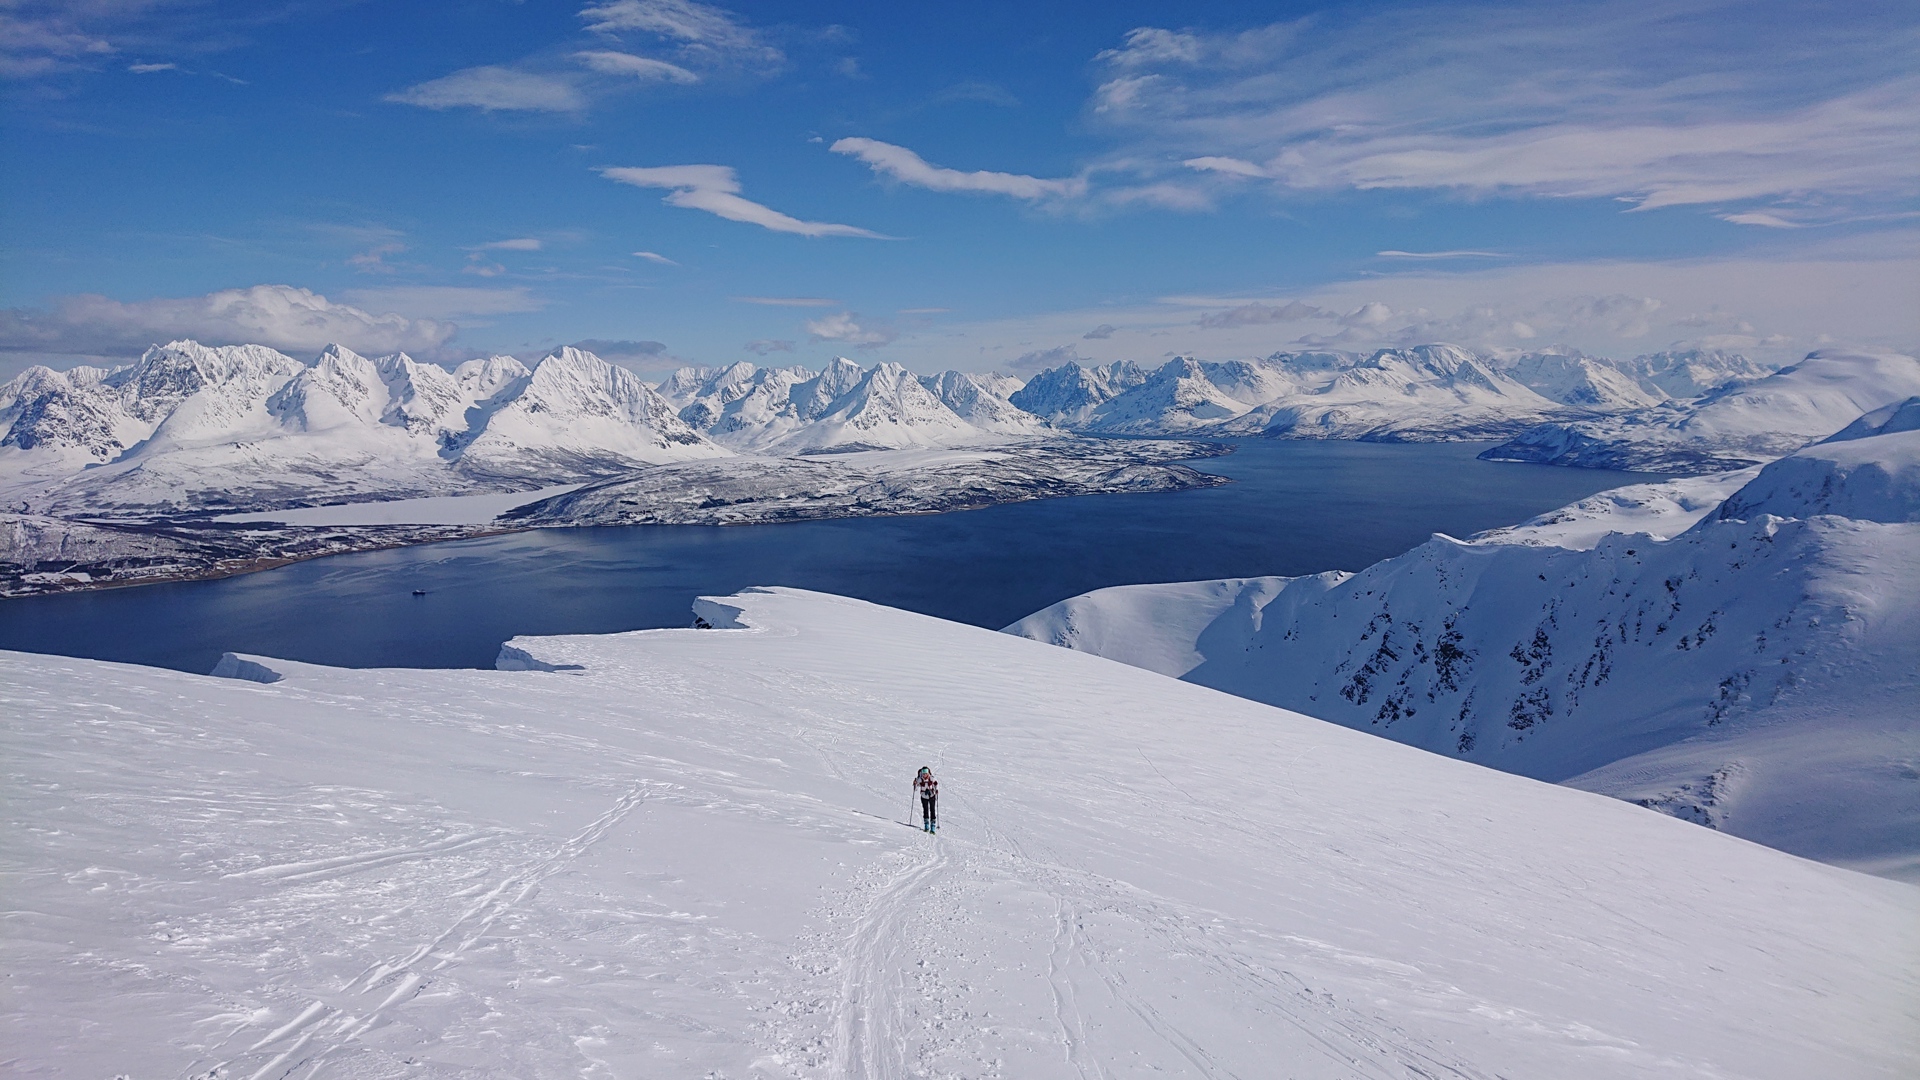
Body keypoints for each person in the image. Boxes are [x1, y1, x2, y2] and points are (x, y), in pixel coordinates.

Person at [914, 766, 938, 833]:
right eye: (923, 773)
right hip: (924, 796)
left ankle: (933, 826)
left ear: (928, 773)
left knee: (932, 810)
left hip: (932, 796)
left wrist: (936, 790)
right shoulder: (920, 779)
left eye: (926, 773)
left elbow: (935, 785)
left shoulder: (931, 778)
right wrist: (915, 784)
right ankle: (926, 826)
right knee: (925, 810)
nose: (925, 775)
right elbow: (916, 789)